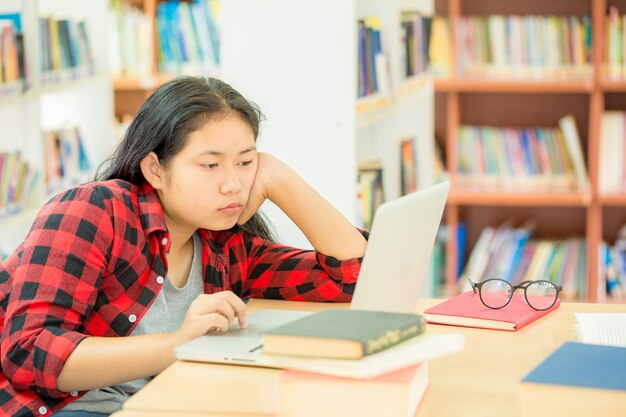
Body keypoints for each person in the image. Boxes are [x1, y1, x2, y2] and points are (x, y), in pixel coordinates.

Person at [0, 76, 367, 417]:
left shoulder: (223, 243)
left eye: (245, 162)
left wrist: (279, 177)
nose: (233, 185)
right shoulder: (94, 210)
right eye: (210, 165)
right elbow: (30, 352)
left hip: (161, 401)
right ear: (155, 169)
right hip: (62, 407)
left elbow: (352, 279)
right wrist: (178, 342)